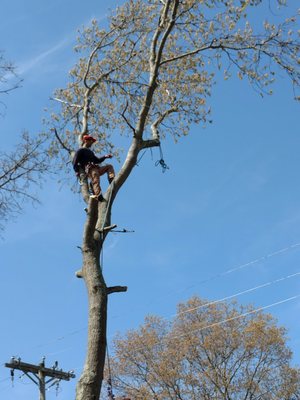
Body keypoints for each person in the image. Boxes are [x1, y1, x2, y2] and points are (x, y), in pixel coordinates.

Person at [73, 134, 115, 200]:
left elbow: (97, 160)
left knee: (109, 166)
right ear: (86, 141)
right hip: (90, 169)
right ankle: (98, 194)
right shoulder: (81, 150)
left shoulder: (90, 152)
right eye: (91, 141)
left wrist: (105, 156)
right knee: (95, 179)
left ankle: (111, 178)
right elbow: (75, 160)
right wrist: (76, 170)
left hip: (97, 168)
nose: (92, 143)